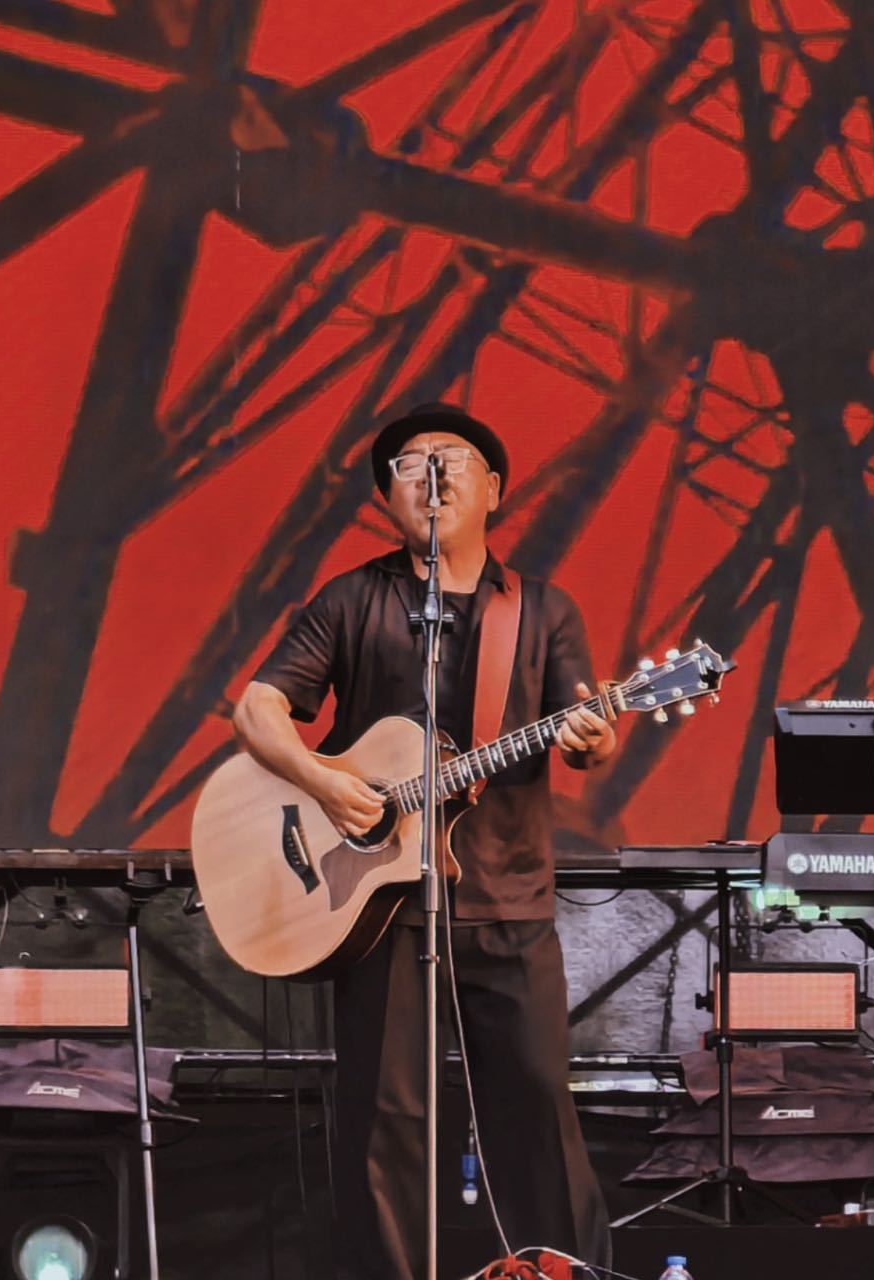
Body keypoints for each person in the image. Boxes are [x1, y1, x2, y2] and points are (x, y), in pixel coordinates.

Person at [230, 403, 615, 1278]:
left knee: (537, 1109)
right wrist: (322, 781)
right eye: (409, 464)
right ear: (386, 497)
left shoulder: (542, 611)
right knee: (384, 1119)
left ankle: (561, 1273)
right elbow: (258, 707)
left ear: (495, 490)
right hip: (378, 906)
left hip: (508, 897)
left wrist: (594, 737)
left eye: (452, 460)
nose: (432, 475)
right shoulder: (351, 599)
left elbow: (587, 734)